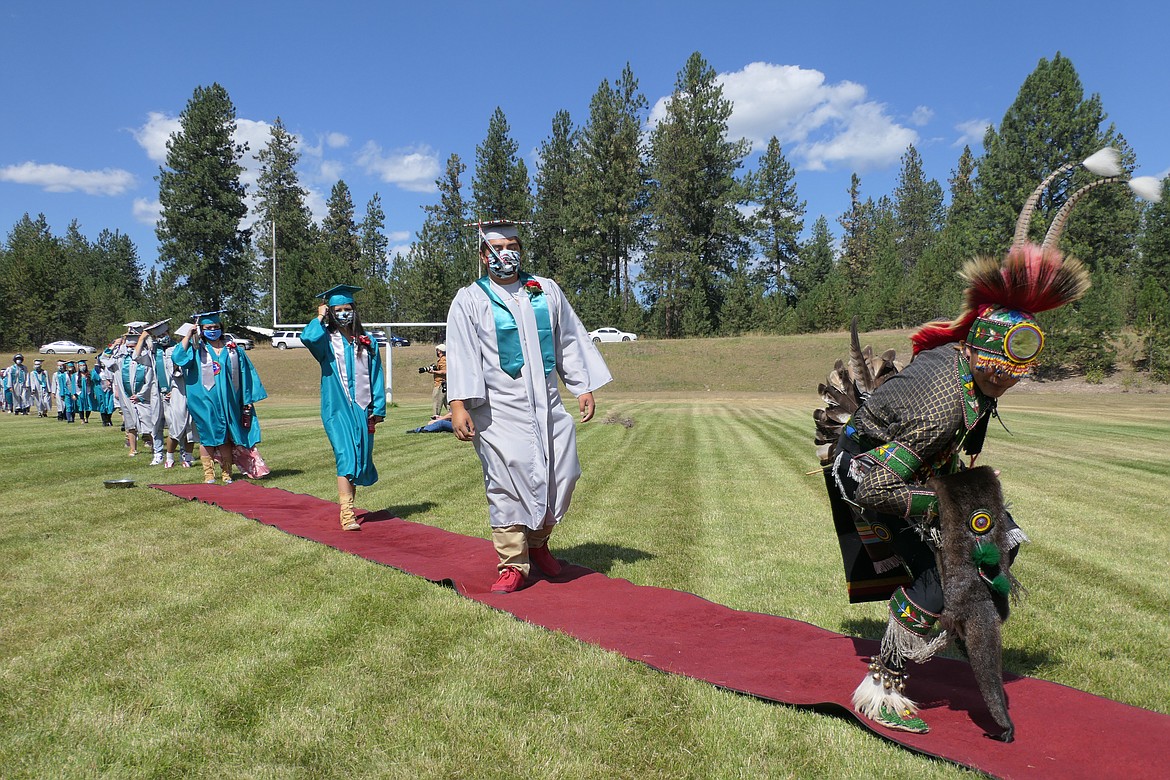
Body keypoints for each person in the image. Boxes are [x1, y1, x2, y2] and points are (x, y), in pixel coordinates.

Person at [818, 162, 1106, 736]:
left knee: (999, 539)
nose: (1008, 378)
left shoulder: (973, 384)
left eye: (1018, 371)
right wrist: (944, 515)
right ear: (977, 350)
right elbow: (874, 482)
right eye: (999, 367)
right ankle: (880, 684)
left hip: (919, 468)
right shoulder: (945, 400)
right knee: (944, 571)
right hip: (871, 474)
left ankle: (942, 620)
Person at [445, 220, 613, 593]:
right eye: (497, 247)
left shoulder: (545, 290)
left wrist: (582, 385)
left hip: (548, 405)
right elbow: (460, 354)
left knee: (563, 474)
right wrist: (458, 404)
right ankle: (512, 564)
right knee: (507, 481)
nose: (505, 253)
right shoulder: (470, 299)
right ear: (482, 254)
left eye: (512, 245)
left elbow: (568, 338)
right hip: (498, 410)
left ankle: (538, 546)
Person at [303, 284, 386, 531]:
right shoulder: (326, 341)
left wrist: (378, 407)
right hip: (336, 409)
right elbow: (307, 336)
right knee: (346, 456)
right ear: (330, 311)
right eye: (337, 310)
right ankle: (347, 513)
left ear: (354, 310)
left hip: (362, 408)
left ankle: (350, 507)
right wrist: (320, 316)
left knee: (359, 458)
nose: (343, 313)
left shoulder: (367, 340)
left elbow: (376, 375)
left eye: (347, 309)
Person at [171, 310, 267, 484]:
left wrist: (247, 399)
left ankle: (227, 473)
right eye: (208, 327)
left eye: (215, 327)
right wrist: (188, 335)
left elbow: (246, 373)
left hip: (229, 402)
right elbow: (177, 357)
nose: (212, 330)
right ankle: (208, 474)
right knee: (207, 437)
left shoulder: (232, 349)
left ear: (221, 328)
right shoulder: (196, 348)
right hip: (203, 401)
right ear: (201, 329)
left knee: (226, 438)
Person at [110, 325, 157, 456]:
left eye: (134, 346)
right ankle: (133, 448)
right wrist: (114, 345)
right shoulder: (119, 360)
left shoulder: (146, 359)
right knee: (130, 424)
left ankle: (155, 447)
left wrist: (140, 395)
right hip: (127, 398)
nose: (131, 349)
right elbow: (104, 360)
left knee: (149, 422)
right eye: (129, 347)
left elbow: (149, 379)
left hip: (143, 398)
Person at [158, 323, 196, 468]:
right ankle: (169, 457)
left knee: (191, 427)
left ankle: (187, 457)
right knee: (176, 426)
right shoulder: (171, 351)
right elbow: (173, 373)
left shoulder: (198, 351)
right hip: (178, 392)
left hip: (193, 392)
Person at [427, 343, 447, 417]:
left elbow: (445, 371)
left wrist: (434, 371)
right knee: (448, 404)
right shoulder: (443, 359)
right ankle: (453, 417)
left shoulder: (443, 360)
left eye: (437, 350)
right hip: (443, 384)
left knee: (436, 402)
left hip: (440, 384)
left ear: (439, 351)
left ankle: (435, 418)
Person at [74, 358, 96, 424]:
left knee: (88, 406)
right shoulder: (75, 375)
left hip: (88, 392)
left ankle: (87, 418)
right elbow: (73, 385)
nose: (82, 367)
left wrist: (93, 392)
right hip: (79, 393)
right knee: (81, 406)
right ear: (78, 367)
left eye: (84, 365)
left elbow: (92, 384)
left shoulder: (89, 374)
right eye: (81, 366)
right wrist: (73, 394)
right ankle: (82, 419)